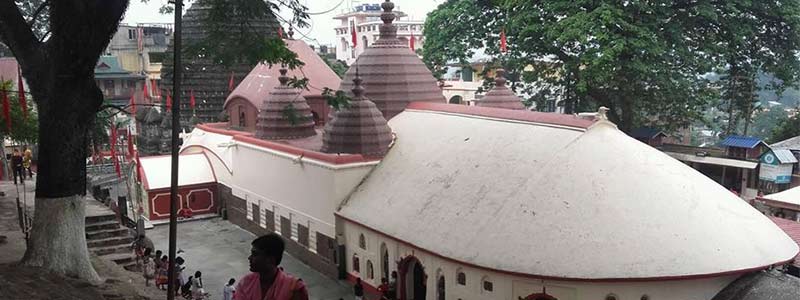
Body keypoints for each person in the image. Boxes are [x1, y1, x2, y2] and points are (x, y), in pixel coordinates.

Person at [234, 233, 308, 300]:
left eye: (255, 254)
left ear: (271, 259)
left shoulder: (293, 287)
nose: (249, 258)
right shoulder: (246, 283)